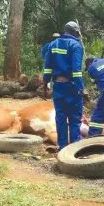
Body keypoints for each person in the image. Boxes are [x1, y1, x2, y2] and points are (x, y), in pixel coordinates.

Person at [43, 21, 85, 151]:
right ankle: (74, 148)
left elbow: (47, 68)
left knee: (60, 117)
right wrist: (82, 88)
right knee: (74, 118)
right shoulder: (76, 46)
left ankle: (62, 147)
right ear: (76, 32)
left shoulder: (53, 45)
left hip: (58, 87)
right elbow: (76, 71)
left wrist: (45, 84)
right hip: (71, 87)